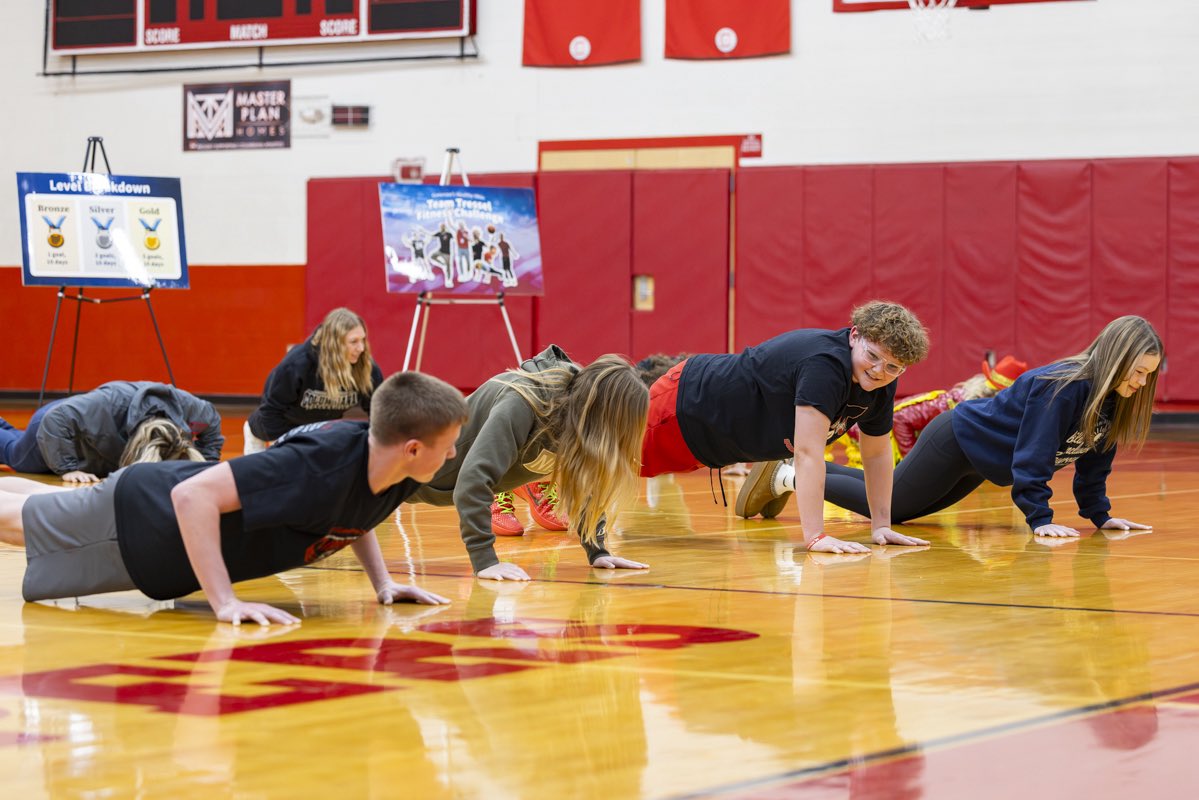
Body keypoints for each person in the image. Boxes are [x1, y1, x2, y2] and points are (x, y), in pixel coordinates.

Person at [0, 372, 468, 625]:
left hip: (153, 527)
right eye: (447, 443)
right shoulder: (315, 464)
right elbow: (192, 496)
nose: (451, 454)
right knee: (17, 524)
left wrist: (382, 583)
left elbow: (357, 513)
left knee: (31, 505)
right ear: (411, 448)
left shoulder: (394, 471)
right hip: (142, 518)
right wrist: (224, 603)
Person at [757, 315, 1162, 538]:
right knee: (892, 508)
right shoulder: (1060, 387)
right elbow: (1033, 454)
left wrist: (1100, 515)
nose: (1141, 383)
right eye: (1138, 372)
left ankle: (789, 471)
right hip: (958, 439)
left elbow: (1094, 464)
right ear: (1115, 358)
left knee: (897, 509)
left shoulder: (1113, 402)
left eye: (1149, 375)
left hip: (982, 463)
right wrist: (1040, 519)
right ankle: (790, 472)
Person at [653, 300, 931, 555]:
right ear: (854, 335)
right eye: (872, 356)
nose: (880, 370)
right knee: (618, 460)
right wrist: (815, 536)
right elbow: (808, 453)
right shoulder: (826, 365)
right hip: (684, 405)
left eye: (893, 367)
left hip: (709, 446)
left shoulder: (881, 385)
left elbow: (876, 455)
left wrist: (881, 526)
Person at [407, 345, 649, 581]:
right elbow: (473, 481)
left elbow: (588, 481)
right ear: (606, 414)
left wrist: (598, 551)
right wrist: (485, 561)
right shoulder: (524, 402)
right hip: (406, 473)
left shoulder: (579, 415)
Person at [0, 381, 223, 482]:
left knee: (20, 438)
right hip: (54, 422)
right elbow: (55, 421)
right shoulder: (109, 406)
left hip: (80, 428)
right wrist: (66, 469)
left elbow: (211, 422)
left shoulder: (192, 411)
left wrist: (206, 465)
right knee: (16, 455)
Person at [831, 353, 1029, 467]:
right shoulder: (947, 405)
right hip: (870, 435)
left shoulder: (966, 405)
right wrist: (912, 461)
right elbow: (900, 418)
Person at [244, 307, 384, 454]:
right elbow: (271, 411)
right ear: (334, 344)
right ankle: (253, 433)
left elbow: (378, 408)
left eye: (363, 340)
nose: (361, 348)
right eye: (353, 342)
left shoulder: (365, 368)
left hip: (319, 428)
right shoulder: (297, 364)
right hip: (279, 425)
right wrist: (286, 451)